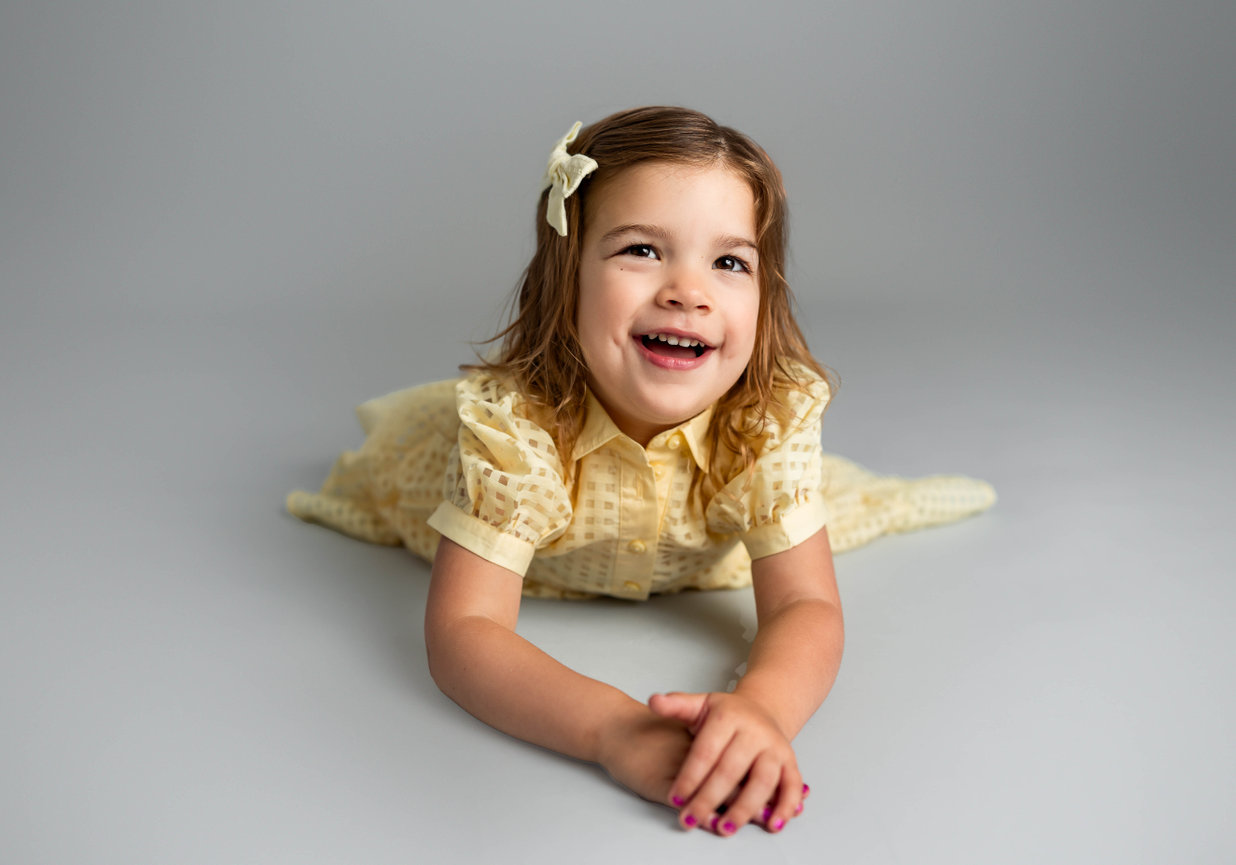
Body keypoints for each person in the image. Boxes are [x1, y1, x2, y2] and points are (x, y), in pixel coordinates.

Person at [287, 106, 995, 836]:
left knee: (853, 504)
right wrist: (615, 729)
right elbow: (465, 627)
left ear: (765, 293)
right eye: (642, 251)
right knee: (391, 480)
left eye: (729, 262)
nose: (688, 291)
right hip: (494, 512)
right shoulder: (515, 434)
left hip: (704, 541)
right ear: (568, 280)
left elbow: (804, 606)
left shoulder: (761, 428)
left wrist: (760, 710)